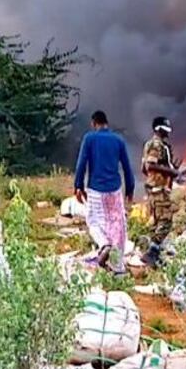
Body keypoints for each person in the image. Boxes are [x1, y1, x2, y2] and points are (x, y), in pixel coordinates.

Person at [73, 110, 135, 274]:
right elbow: (127, 167)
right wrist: (130, 188)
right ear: (107, 123)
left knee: (93, 220)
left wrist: (78, 186)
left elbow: (81, 164)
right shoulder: (118, 140)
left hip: (96, 190)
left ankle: (104, 244)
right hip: (114, 190)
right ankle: (117, 265)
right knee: (117, 225)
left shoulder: (89, 138)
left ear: (94, 123)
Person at [141, 116, 186, 268]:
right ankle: (151, 253)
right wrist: (170, 171)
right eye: (164, 130)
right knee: (166, 221)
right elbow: (150, 166)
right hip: (158, 189)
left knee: (157, 222)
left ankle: (155, 258)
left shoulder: (159, 146)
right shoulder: (155, 145)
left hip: (156, 188)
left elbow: (148, 167)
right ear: (158, 129)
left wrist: (174, 169)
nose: (167, 133)